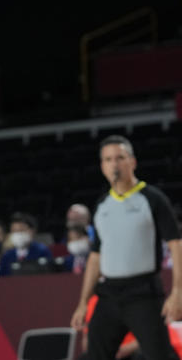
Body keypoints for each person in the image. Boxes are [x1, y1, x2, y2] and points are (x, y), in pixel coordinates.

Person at [70, 135, 182, 360]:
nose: (114, 164)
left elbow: (176, 244)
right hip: (108, 294)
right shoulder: (102, 205)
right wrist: (83, 302)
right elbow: (94, 257)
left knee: (160, 355)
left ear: (132, 162)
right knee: (93, 355)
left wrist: (178, 291)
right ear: (102, 166)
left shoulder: (152, 199)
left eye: (120, 158)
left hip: (143, 293)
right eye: (108, 159)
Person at [0, 212, 52, 276]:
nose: (17, 235)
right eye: (14, 231)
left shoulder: (42, 252)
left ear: (32, 231)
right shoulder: (7, 256)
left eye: (21, 230)